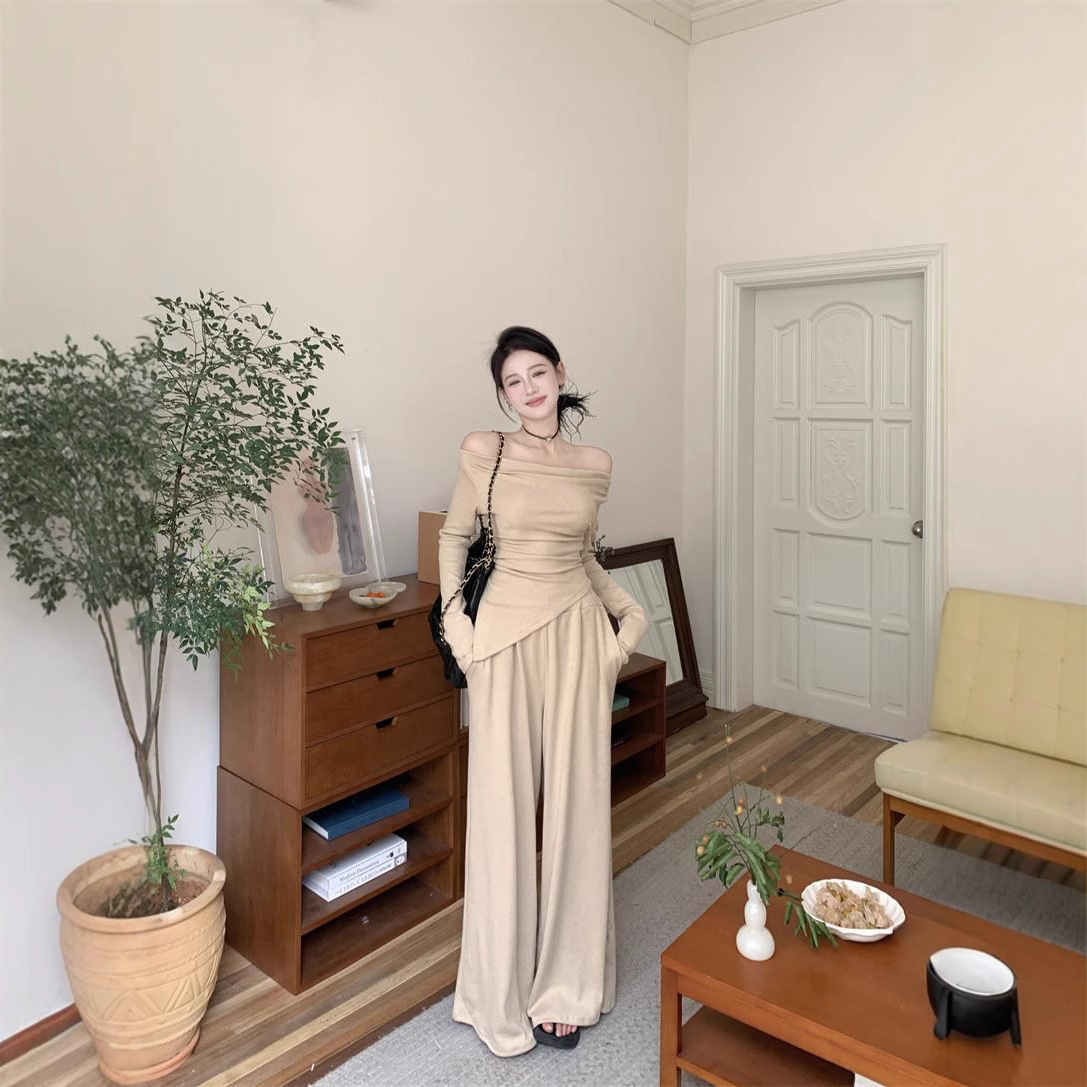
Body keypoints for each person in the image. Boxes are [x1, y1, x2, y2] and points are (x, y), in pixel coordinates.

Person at [438, 326, 649, 1057]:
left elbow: (582, 556)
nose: (527, 389)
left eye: (536, 373)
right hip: (501, 640)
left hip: (579, 640)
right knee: (500, 813)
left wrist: (628, 619)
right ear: (502, 394)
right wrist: (458, 630)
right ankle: (496, 991)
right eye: (512, 381)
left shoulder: (595, 465)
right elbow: (454, 538)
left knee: (578, 808)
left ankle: (566, 985)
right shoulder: (485, 450)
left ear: (559, 373)